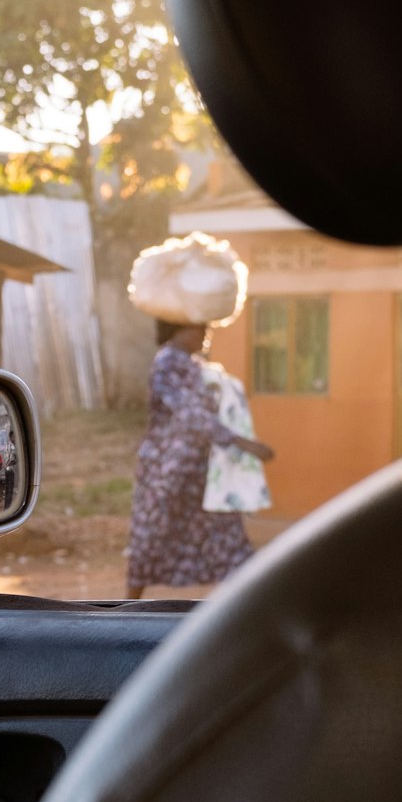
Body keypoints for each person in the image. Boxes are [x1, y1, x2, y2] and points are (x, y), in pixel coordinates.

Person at [125, 231, 274, 600]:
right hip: (169, 471)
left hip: (199, 471)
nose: (207, 334)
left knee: (226, 540)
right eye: (200, 327)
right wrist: (244, 444)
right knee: (153, 537)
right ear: (181, 327)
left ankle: (240, 608)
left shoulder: (195, 364)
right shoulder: (168, 363)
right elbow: (193, 416)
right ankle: (125, 606)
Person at [2, 430, 17, 510]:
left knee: (8, 490)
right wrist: (7, 465)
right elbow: (11, 459)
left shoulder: (7, 445)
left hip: (7, 469)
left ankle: (6, 507)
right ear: (11, 437)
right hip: (10, 470)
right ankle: (7, 508)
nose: (15, 438)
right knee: (9, 490)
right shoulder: (12, 446)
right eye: (14, 437)